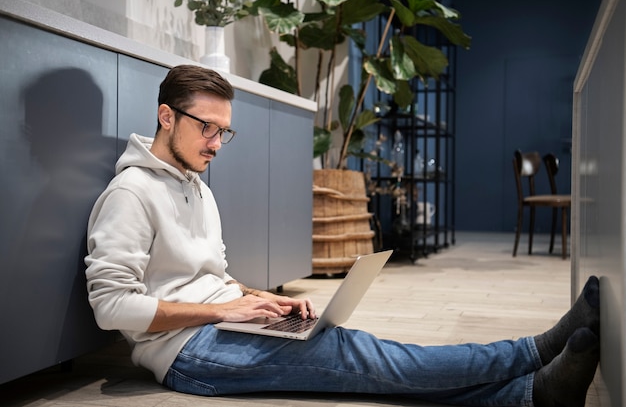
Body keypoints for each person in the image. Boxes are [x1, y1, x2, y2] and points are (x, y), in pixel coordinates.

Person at [85, 64, 600, 407]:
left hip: (223, 325)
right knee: (360, 360)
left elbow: (212, 278)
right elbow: (112, 309)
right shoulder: (129, 194)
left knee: (355, 354)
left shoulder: (197, 188)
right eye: (208, 128)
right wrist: (224, 311)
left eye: (225, 131)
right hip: (185, 354)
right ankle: (531, 353)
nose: (218, 144)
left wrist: (261, 301)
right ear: (166, 116)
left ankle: (530, 395)